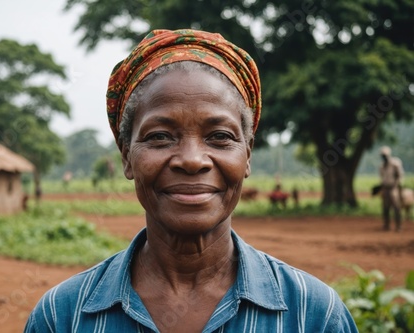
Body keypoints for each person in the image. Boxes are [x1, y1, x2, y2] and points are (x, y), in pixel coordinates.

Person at [25, 29, 358, 332]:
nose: (192, 160)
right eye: (159, 137)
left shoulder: (314, 316)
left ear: (248, 154)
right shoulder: (62, 317)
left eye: (219, 136)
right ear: (126, 156)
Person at [379, 146, 404, 231]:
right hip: (385, 188)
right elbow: (382, 177)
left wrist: (396, 185)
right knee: (385, 207)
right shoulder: (382, 166)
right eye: (382, 156)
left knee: (396, 207)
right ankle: (386, 225)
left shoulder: (395, 164)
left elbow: (400, 176)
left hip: (393, 188)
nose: (384, 157)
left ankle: (399, 226)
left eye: (385, 155)